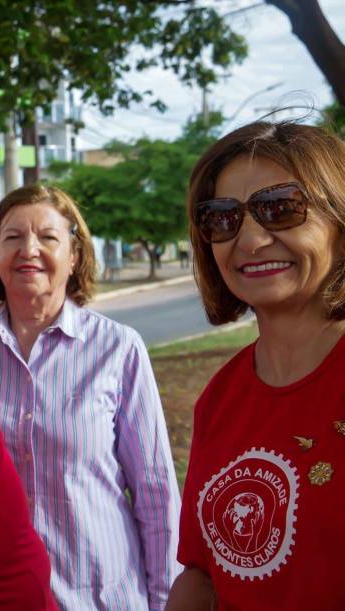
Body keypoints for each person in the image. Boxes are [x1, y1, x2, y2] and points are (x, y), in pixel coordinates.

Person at [0, 185, 181, 610]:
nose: (28, 249)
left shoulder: (118, 348)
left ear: (74, 256)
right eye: (13, 237)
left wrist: (166, 600)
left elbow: (155, 491)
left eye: (47, 237)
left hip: (102, 597)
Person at [167, 121, 345, 610]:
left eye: (281, 208)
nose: (249, 240)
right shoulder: (219, 398)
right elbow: (201, 575)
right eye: (222, 218)